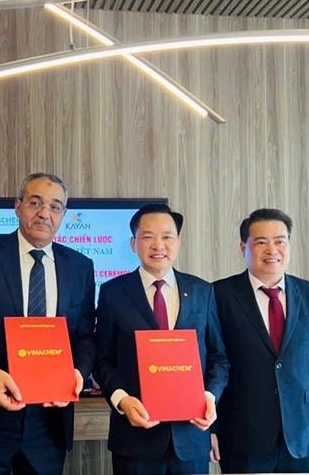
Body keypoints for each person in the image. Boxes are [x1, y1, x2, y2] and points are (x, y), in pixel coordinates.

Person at [0, 172, 96, 475]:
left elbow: (86, 335)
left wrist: (78, 372)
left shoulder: (80, 266)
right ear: (17, 205)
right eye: (35, 203)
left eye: (55, 206)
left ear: (63, 214)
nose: (44, 214)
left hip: (48, 424)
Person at [211, 208, 309, 473]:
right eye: (261, 242)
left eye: (280, 241)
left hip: (302, 435)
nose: (272, 250)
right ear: (243, 247)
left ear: (289, 245)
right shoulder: (219, 294)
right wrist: (210, 429)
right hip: (242, 435)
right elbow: (212, 363)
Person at [94, 203, 229, 475]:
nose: (158, 245)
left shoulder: (202, 291)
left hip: (191, 437)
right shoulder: (112, 292)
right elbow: (102, 360)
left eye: (167, 236)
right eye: (148, 236)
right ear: (133, 243)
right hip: (135, 438)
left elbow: (218, 358)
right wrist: (122, 400)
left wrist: (208, 397)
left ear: (178, 242)